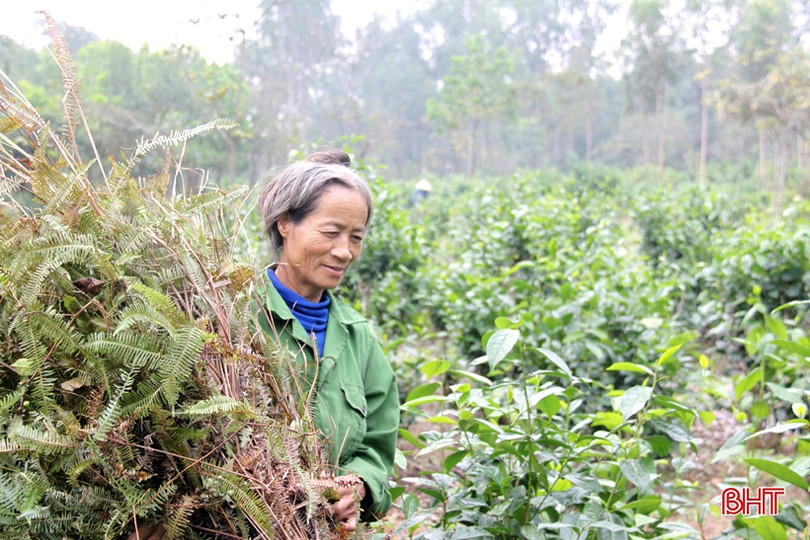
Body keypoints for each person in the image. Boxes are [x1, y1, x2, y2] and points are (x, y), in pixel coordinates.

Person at [255, 149, 399, 531]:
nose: (344, 251)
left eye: (356, 237)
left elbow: (379, 447)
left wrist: (357, 486)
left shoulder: (358, 338)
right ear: (285, 223)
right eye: (331, 232)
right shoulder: (232, 316)